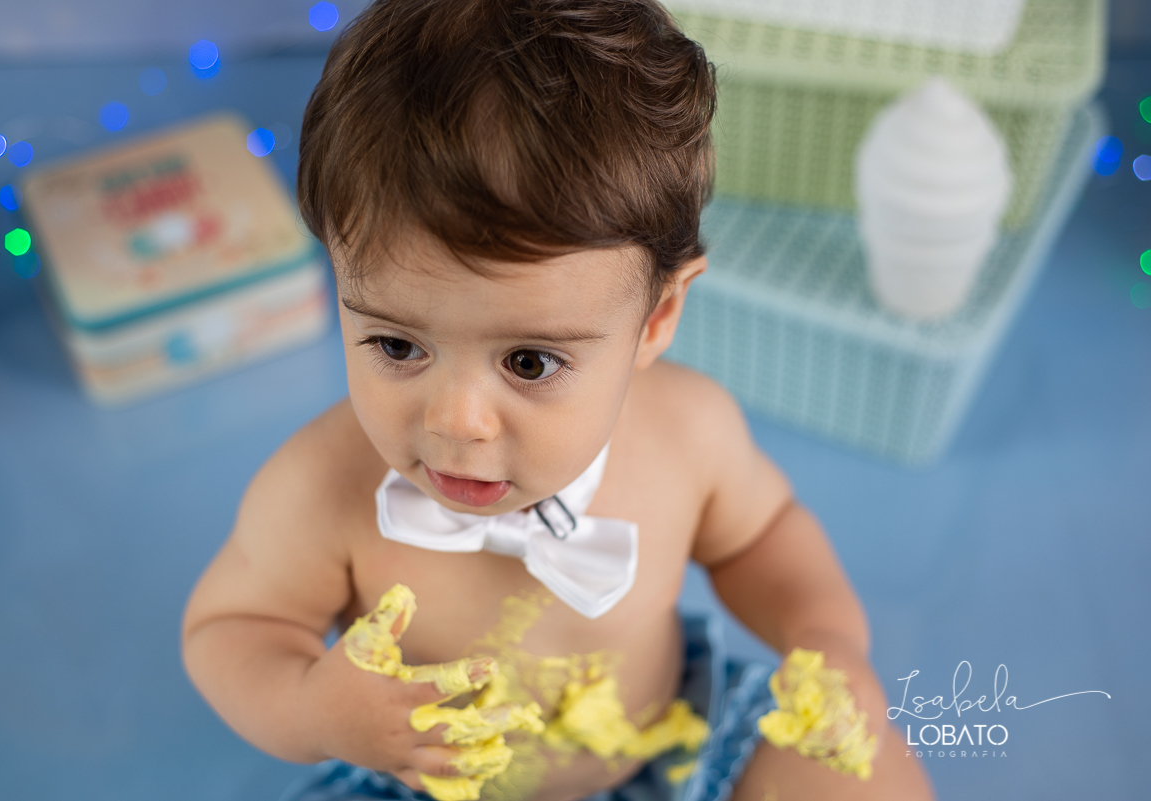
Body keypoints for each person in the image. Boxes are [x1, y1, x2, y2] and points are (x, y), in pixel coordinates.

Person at [181, 1, 936, 800]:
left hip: (670, 742)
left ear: (657, 318)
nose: (456, 421)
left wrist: (825, 638)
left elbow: (764, 536)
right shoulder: (322, 487)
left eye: (531, 361)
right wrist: (313, 707)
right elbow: (230, 628)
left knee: (857, 770)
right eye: (398, 346)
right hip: (425, 781)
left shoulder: (688, 432)